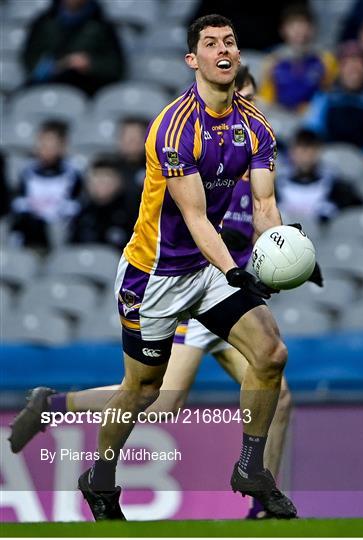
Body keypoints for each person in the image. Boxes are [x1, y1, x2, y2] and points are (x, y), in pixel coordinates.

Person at [9, 66, 294, 521]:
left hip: (219, 285)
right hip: (176, 280)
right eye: (240, 97)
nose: (246, 109)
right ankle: (58, 411)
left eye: (251, 100)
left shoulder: (256, 159)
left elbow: (266, 218)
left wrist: (285, 257)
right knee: (154, 396)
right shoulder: (190, 146)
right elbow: (198, 222)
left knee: (274, 375)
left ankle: (257, 493)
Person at [304, 41, 363, 160]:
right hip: (328, 156)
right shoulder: (326, 94)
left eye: (360, 64)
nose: (354, 70)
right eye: (348, 64)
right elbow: (313, 128)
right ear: (340, 69)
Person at [21, 0, 125, 96]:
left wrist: (90, 63)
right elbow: (29, 59)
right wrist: (55, 66)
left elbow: (116, 67)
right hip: (47, 84)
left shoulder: (102, 25)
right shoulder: (44, 22)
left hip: (88, 88)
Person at [9, 120, 83, 249]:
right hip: (31, 228)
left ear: (62, 146)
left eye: (52, 145)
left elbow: (75, 206)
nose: (47, 149)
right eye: (43, 144)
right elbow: (19, 203)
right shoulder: (26, 172)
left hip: (60, 228)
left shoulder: (72, 174)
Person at [259, 6, 337, 112]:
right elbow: (265, 101)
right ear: (283, 30)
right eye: (293, 26)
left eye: (303, 25)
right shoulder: (273, 61)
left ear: (313, 29)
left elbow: (330, 96)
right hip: (280, 119)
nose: (299, 31)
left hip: (311, 121)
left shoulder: (326, 60)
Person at [277, 129, 363, 221]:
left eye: (310, 148)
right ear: (291, 152)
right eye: (301, 149)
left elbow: (355, 211)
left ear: (318, 152)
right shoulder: (276, 183)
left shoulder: (334, 183)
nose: (305, 155)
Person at [69, 155, 137, 250]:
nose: (100, 183)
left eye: (106, 178)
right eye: (96, 178)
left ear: (118, 182)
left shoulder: (131, 213)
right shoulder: (81, 213)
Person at [115, 116, 148, 205]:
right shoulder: (111, 169)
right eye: (127, 136)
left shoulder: (157, 169)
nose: (132, 141)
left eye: (136, 136)